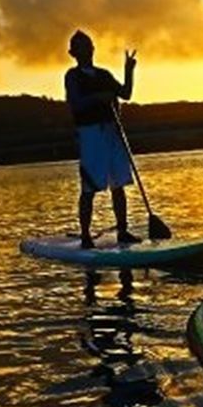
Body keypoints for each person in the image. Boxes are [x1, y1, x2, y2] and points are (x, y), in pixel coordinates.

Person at [64, 30, 140, 249]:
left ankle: (123, 231)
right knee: (89, 187)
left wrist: (128, 70)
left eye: (88, 45)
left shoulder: (104, 75)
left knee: (118, 183)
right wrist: (99, 97)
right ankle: (85, 236)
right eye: (81, 46)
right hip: (90, 134)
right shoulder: (73, 76)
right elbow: (76, 103)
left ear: (93, 49)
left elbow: (125, 94)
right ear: (73, 53)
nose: (87, 49)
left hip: (112, 131)